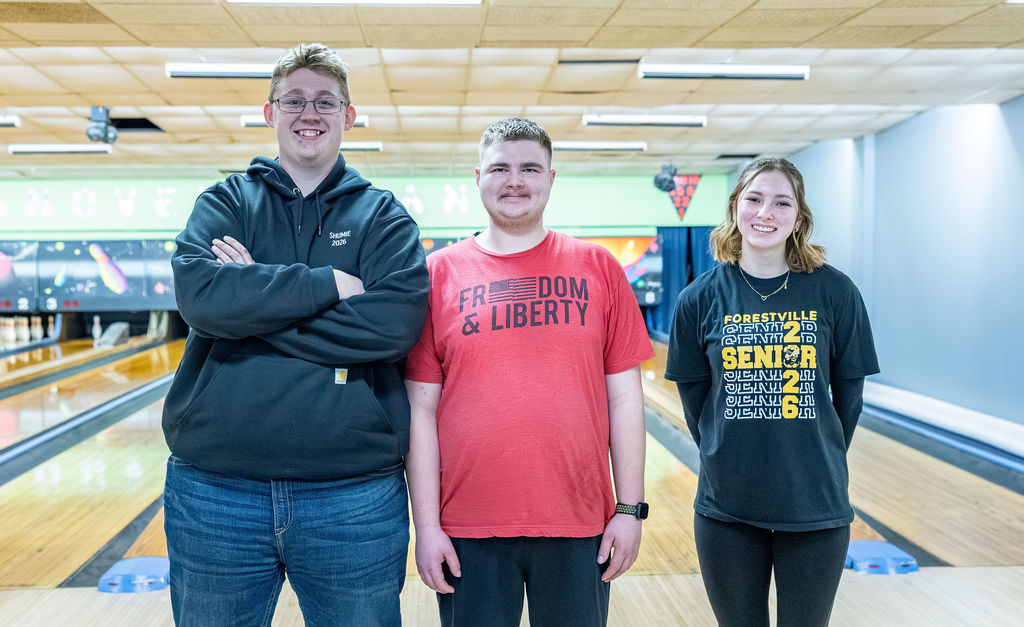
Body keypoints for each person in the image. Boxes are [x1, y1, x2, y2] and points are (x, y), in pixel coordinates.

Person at [162, 43, 429, 626]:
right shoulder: (225, 202)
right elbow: (201, 300)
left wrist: (250, 307)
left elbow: (393, 327)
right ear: (270, 112)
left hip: (353, 498)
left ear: (349, 116)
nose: (310, 113)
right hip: (214, 494)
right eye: (295, 100)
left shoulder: (384, 218)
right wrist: (330, 283)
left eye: (326, 102)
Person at [404, 117, 654, 627]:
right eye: (500, 167)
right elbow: (420, 410)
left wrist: (629, 511)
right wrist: (426, 526)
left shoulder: (599, 267)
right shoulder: (438, 274)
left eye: (529, 168)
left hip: (580, 522)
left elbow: (626, 399)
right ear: (478, 176)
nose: (514, 180)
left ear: (551, 179)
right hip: (466, 528)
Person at [665, 157, 879, 626]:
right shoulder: (698, 299)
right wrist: (726, 453)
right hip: (727, 510)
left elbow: (850, 394)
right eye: (755, 198)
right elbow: (695, 398)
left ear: (799, 216)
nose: (767, 212)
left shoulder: (836, 292)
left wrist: (812, 452)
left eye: (783, 202)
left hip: (816, 505)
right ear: (735, 207)